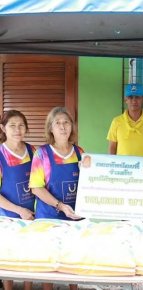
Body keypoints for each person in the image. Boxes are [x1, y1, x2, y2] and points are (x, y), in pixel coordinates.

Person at [29, 107, 83, 290]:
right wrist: (61, 205)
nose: (62, 127)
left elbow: (89, 182)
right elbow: (36, 188)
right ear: (50, 128)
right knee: (49, 261)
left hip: (75, 216)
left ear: (72, 127)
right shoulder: (41, 154)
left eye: (66, 122)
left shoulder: (80, 152)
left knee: (72, 259)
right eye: (57, 123)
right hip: (48, 216)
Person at [0, 110, 35, 290]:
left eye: (21, 125)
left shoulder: (32, 150)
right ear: (3, 128)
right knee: (9, 255)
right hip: (6, 216)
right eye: (12, 125)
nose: (17, 130)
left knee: (27, 255)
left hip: (31, 214)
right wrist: (18, 210)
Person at [107, 83, 143, 157]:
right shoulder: (116, 122)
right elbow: (112, 147)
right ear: (126, 99)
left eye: (137, 97)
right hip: (122, 167)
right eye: (130, 97)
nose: (134, 101)